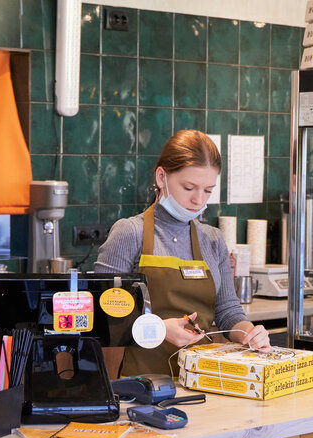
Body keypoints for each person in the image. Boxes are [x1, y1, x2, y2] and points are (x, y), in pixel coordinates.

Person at [95, 129, 270, 376]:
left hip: (203, 378)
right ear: (161, 177)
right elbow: (100, 312)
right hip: (140, 383)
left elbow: (227, 309)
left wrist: (249, 332)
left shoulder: (212, 239)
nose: (199, 200)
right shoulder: (129, 232)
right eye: (189, 187)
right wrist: (158, 329)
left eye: (208, 190)